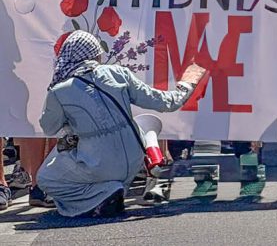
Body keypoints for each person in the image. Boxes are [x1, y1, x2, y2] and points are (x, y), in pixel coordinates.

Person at [37, 31, 204, 217]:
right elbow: (167, 102)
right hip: (135, 160)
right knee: (130, 127)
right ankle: (120, 184)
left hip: (98, 165)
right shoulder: (119, 73)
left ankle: (105, 193)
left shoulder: (59, 91)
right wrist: (188, 83)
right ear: (94, 53)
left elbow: (49, 128)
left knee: (45, 178)